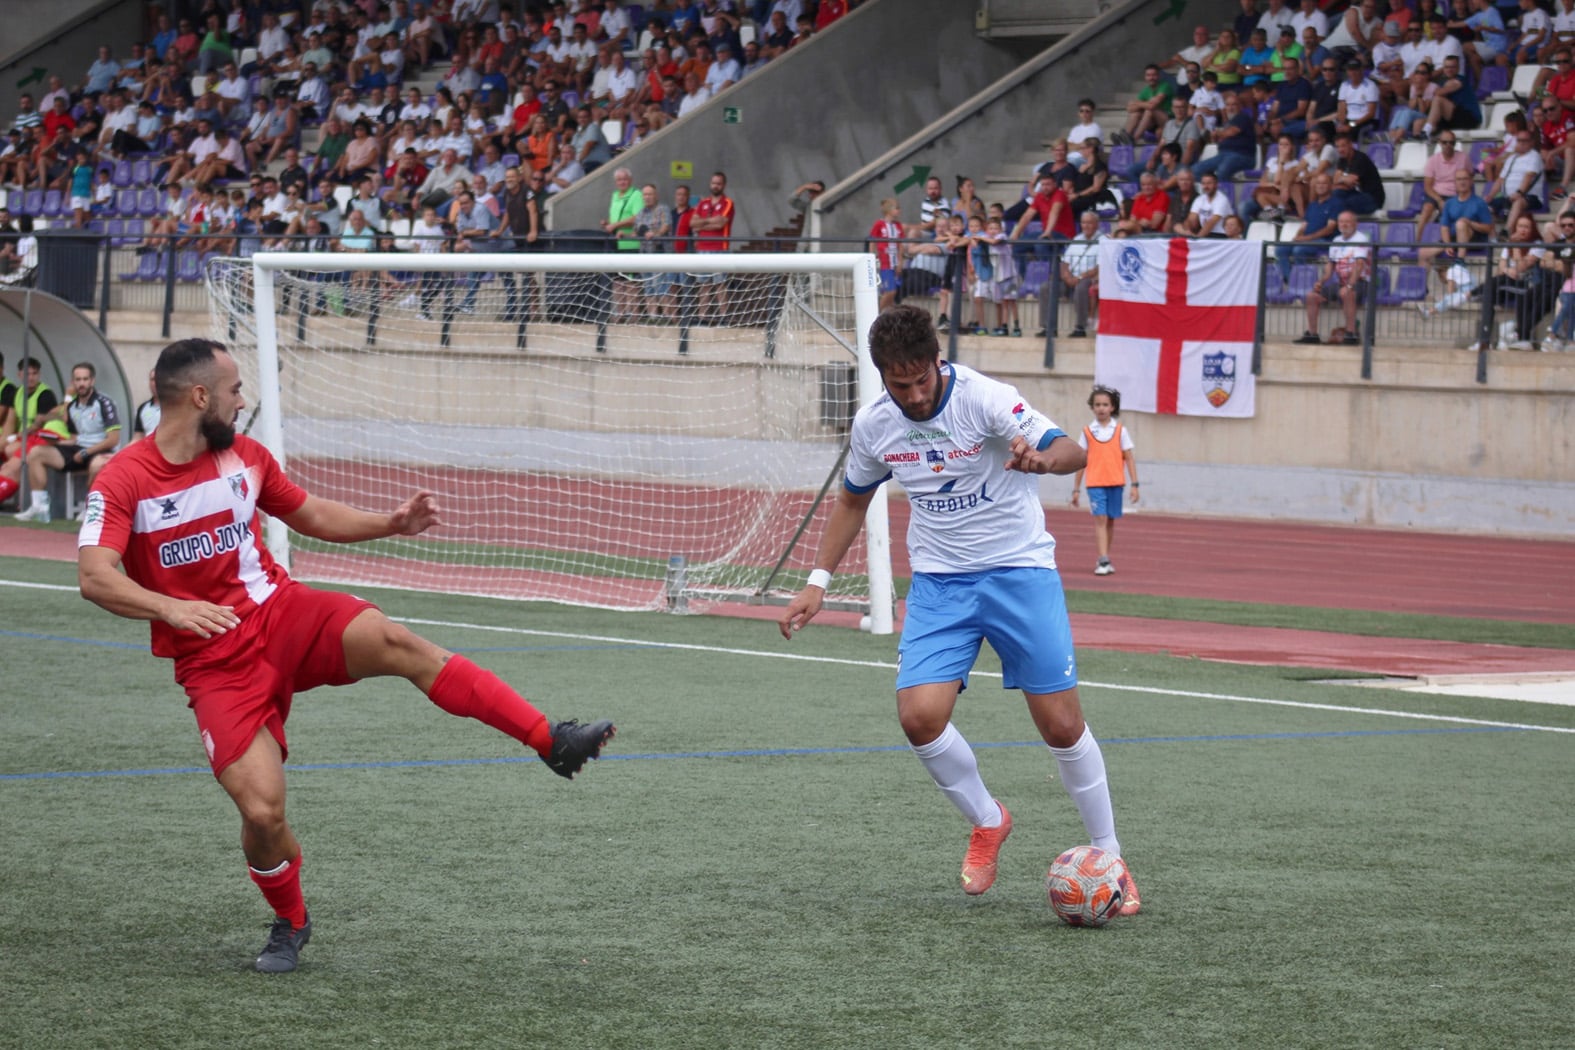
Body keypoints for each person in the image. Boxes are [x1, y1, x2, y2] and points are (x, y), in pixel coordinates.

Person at [76, 338, 616, 974]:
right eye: (234, 390)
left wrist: (391, 524)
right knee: (262, 812)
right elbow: (95, 575)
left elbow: (309, 513)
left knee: (397, 641)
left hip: (282, 616)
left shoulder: (245, 458)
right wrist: (171, 609)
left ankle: (548, 738)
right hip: (213, 661)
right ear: (200, 398)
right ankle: (292, 922)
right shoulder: (123, 480)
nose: (242, 401)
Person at [777, 305, 1141, 914]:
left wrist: (1040, 460)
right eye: (901, 385)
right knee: (919, 717)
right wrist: (817, 581)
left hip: (1020, 573)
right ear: (883, 378)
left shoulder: (987, 399)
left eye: (923, 379)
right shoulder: (874, 425)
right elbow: (852, 501)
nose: (916, 395)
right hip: (941, 586)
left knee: (1060, 725)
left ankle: (1112, 858)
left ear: (937, 361)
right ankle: (989, 819)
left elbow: (1071, 451)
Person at [14, 362, 121, 521]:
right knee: (36, 452)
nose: (81, 383)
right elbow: (73, 438)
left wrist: (86, 452)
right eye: (78, 380)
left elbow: (113, 439)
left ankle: (90, 509)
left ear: (92, 381)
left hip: (100, 449)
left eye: (85, 379)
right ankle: (39, 508)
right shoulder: (72, 406)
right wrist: (57, 443)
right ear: (73, 382)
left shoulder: (104, 403)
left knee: (98, 465)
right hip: (79, 448)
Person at [1069, 385, 1138, 575]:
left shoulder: (1120, 431)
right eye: (1097, 404)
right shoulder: (1088, 432)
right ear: (1092, 407)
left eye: (1105, 404)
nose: (1101, 408)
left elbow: (1129, 457)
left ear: (1112, 407)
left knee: (1110, 521)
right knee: (1100, 518)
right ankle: (1103, 559)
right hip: (1095, 483)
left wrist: (1135, 484)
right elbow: (1081, 461)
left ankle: (1106, 555)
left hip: (1115, 482)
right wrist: (1076, 489)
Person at [1296, 210, 1371, 344]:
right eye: (1341, 222)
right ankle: (1312, 334)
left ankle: (1351, 333)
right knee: (1311, 296)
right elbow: (1331, 265)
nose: (1344, 224)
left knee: (1347, 293)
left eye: (1347, 222)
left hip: (1360, 283)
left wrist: (1349, 285)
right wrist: (1321, 281)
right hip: (1341, 283)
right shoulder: (1336, 240)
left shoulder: (1361, 239)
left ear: (1355, 223)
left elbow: (1359, 265)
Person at [0, 355, 61, 507]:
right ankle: (19, 493)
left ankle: (22, 497)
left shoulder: (45, 394)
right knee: (7, 449)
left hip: (39, 439)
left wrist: (16, 437)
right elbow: (11, 421)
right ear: (20, 375)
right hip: (23, 438)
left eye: (34, 374)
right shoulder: (18, 392)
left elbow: (39, 424)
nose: (31, 378)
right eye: (27, 374)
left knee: (11, 466)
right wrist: (6, 439)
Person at [691, 170, 734, 322]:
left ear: (723, 185)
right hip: (702, 248)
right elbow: (693, 225)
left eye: (718, 183)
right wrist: (710, 221)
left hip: (719, 249)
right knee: (703, 285)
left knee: (720, 285)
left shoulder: (728, 203)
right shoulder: (702, 203)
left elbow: (721, 223)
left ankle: (724, 317)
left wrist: (703, 222)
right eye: (713, 183)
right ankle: (703, 317)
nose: (715, 186)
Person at [1058, 210, 1103, 337]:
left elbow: (1099, 267)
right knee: (1046, 288)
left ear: (1096, 224)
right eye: (1083, 223)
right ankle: (1048, 328)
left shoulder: (1103, 240)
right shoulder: (1077, 239)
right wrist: (1066, 276)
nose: (1086, 226)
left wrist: (1078, 277)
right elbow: (1064, 263)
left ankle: (1080, 327)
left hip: (1089, 278)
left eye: (1089, 223)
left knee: (1081, 287)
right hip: (1070, 278)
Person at [868, 197, 904, 311]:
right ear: (889, 210)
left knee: (892, 293)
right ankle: (876, 314)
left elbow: (901, 245)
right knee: (890, 291)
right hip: (884, 263)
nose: (899, 211)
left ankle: (886, 316)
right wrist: (871, 257)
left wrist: (900, 262)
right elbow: (872, 241)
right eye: (896, 208)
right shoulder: (879, 224)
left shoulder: (898, 226)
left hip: (894, 263)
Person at [130, 369, 160, 443]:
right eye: (152, 379)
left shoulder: (174, 407)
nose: (155, 383)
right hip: (147, 451)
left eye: (158, 379)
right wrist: (119, 454)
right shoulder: (143, 408)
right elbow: (138, 437)